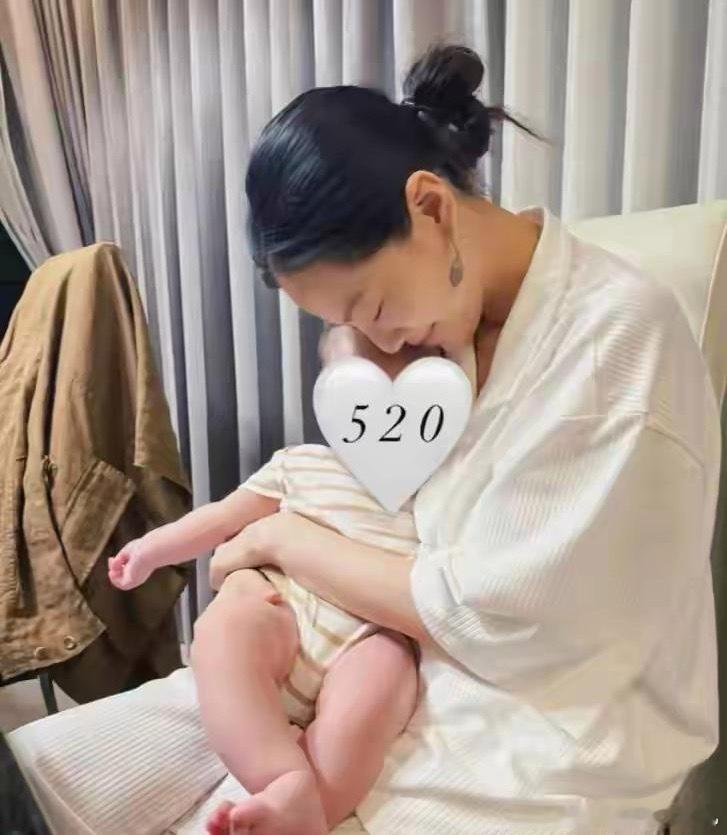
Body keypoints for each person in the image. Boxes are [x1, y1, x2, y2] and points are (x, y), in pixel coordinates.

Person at [8, 44, 719, 835]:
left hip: (537, 721)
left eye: (371, 306)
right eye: (344, 326)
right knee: (40, 768)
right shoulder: (444, 333)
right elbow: (381, 503)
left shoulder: (611, 343)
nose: (374, 342)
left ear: (431, 208)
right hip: (373, 650)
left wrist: (281, 536)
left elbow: (500, 619)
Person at [107, 354, 424, 835]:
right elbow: (222, 517)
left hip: (371, 634)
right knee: (226, 631)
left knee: (381, 689)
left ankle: (312, 812)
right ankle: (282, 777)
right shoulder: (302, 464)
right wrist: (151, 549)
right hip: (282, 607)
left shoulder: (436, 490)